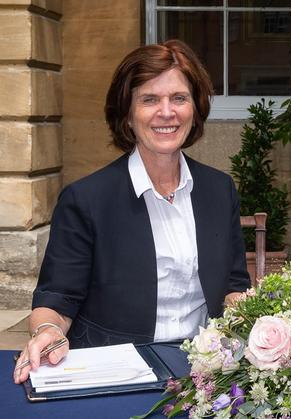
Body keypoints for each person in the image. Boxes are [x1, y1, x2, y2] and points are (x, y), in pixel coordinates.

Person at [13, 40, 251, 384]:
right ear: (127, 113)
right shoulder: (86, 199)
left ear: (195, 108)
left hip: (204, 372)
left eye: (179, 98)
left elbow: (233, 283)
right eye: (149, 99)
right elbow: (59, 297)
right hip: (115, 372)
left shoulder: (219, 189)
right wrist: (48, 330)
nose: (166, 112)